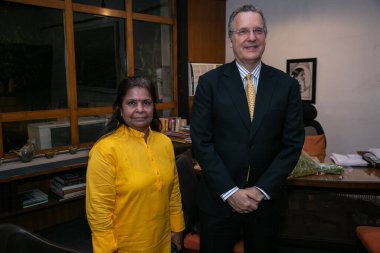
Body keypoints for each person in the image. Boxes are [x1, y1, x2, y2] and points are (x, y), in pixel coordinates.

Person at [190, 4, 304, 253]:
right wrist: (231, 192)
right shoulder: (209, 83)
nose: (251, 37)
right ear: (231, 39)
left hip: (267, 203)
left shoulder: (286, 86)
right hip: (218, 202)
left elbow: (292, 144)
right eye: (242, 31)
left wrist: (261, 190)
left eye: (258, 30)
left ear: (265, 36)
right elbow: (201, 141)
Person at [86, 77, 185, 253]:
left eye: (146, 102)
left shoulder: (164, 142)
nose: (140, 109)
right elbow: (99, 209)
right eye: (132, 103)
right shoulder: (105, 150)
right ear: (120, 109)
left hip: (162, 240)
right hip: (125, 246)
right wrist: (107, 248)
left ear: (154, 107)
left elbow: (173, 191)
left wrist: (177, 228)